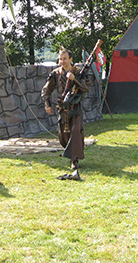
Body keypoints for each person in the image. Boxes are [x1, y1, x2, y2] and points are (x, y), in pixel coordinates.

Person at [41, 48, 90, 180]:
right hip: (63, 108)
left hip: (75, 107)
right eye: (60, 59)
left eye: (65, 59)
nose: (62, 61)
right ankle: (71, 155)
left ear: (70, 59)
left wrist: (75, 80)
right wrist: (47, 104)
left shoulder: (78, 72)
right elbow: (46, 90)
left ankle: (74, 159)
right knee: (64, 135)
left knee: (76, 131)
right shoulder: (56, 73)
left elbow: (86, 88)